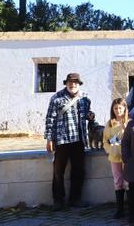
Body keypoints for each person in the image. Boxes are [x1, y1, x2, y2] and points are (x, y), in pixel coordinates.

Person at [44, 72, 92, 211]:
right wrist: (49, 138)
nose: (73, 85)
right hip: (62, 139)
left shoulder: (85, 98)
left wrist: (91, 116)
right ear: (66, 83)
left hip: (79, 140)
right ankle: (58, 201)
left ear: (79, 84)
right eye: (70, 82)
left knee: (79, 171)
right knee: (58, 172)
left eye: (76, 82)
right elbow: (50, 119)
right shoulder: (56, 98)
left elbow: (87, 114)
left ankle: (75, 199)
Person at [102, 97, 128, 218]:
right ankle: (120, 209)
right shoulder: (109, 124)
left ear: (124, 109)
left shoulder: (129, 122)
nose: (118, 110)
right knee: (118, 181)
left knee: (128, 181)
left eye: (120, 108)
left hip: (127, 158)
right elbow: (106, 141)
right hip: (114, 157)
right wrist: (110, 150)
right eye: (115, 108)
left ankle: (131, 208)